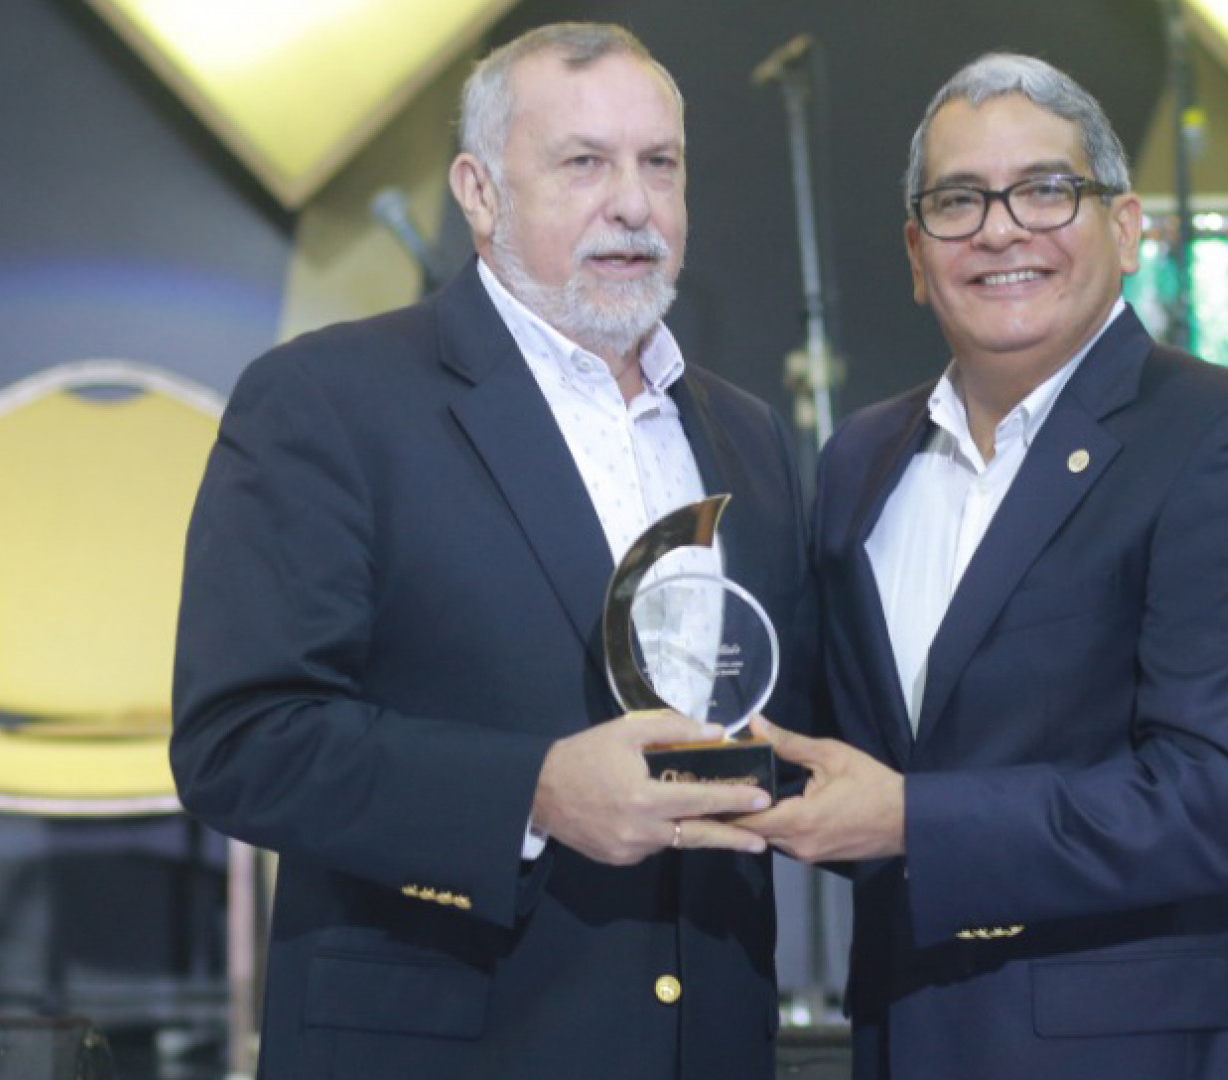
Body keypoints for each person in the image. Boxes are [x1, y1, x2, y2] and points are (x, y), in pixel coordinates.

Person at [171, 23, 811, 1080]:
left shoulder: (748, 437)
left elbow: (781, 722)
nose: (634, 204)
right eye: (584, 163)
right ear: (478, 193)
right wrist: (535, 792)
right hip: (448, 1043)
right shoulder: (328, 400)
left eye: (660, 164)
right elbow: (241, 743)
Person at [739, 53, 1228, 1079]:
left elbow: (1221, 800)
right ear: (915, 252)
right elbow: (840, 749)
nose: (1000, 229)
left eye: (1045, 190)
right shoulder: (861, 460)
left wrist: (908, 820)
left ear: (1127, 228)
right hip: (912, 1037)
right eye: (958, 201)